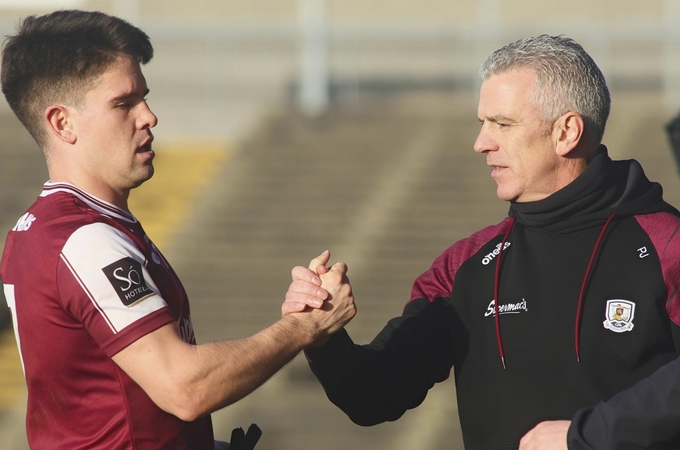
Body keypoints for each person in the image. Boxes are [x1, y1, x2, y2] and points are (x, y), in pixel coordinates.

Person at [282, 34, 680, 450]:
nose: (481, 143)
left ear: (566, 132)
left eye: (503, 124)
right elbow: (374, 395)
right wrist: (322, 333)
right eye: (482, 123)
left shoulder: (666, 244)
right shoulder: (464, 266)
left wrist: (588, 436)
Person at [0, 9, 355, 450]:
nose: (149, 116)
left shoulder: (44, 229)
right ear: (62, 123)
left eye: (144, 98)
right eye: (124, 103)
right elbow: (186, 389)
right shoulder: (84, 239)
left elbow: (107, 402)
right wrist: (304, 328)